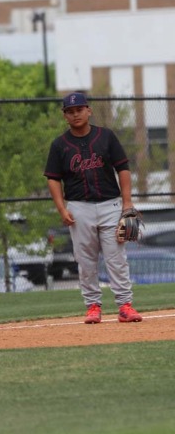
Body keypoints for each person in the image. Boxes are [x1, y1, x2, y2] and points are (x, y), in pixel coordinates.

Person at [44, 92, 142, 324]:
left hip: (110, 204)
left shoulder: (106, 136)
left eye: (79, 109)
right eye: (70, 111)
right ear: (65, 116)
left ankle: (125, 306)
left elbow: (123, 168)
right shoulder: (59, 145)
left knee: (116, 258)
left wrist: (127, 202)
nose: (75, 114)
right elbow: (53, 178)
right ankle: (93, 306)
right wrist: (61, 209)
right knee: (85, 260)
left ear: (88, 110)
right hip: (79, 207)